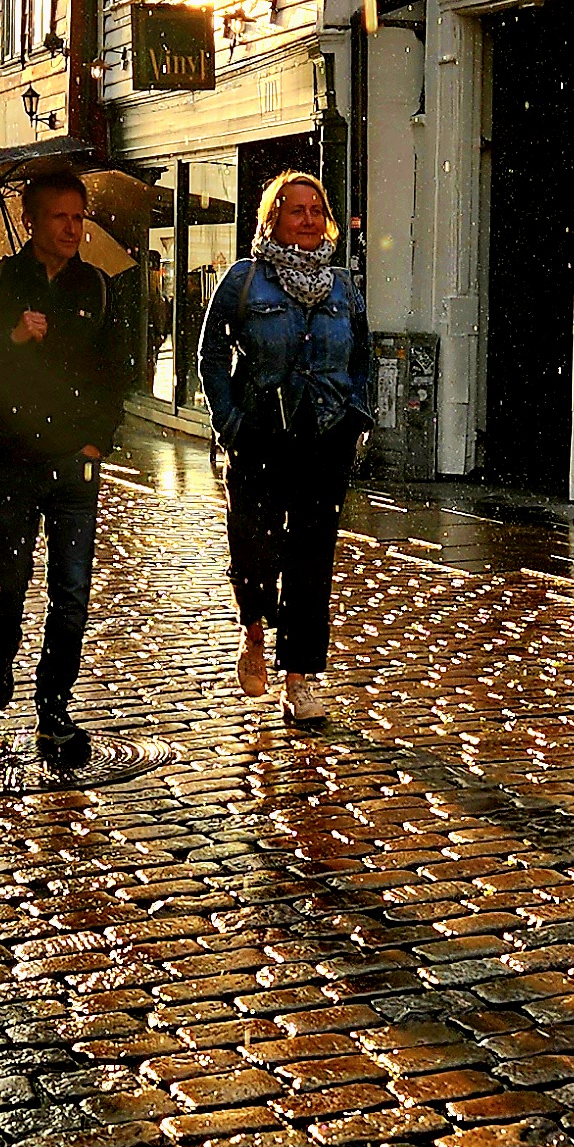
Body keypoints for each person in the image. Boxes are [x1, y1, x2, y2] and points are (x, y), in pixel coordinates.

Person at [0, 165, 130, 774]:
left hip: (74, 464)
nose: (73, 228)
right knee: (7, 575)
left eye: (80, 217)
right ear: (31, 220)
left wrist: (96, 443)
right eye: (60, 216)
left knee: (71, 592)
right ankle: (2, 650)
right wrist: (14, 337)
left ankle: (54, 707)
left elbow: (115, 371)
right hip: (12, 458)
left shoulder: (98, 288)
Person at [198, 170, 373, 730]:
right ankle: (254, 630)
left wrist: (356, 418)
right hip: (259, 437)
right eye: (296, 210)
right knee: (254, 549)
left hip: (324, 439)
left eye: (316, 210)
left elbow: (361, 358)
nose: (308, 219)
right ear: (273, 217)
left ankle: (299, 679)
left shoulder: (344, 287)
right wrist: (229, 422)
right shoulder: (245, 281)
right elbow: (208, 356)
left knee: (311, 559)